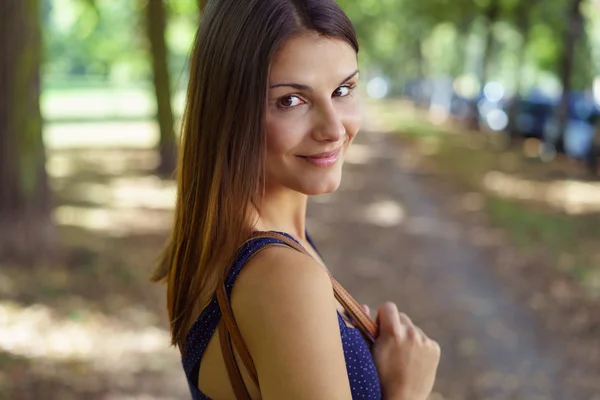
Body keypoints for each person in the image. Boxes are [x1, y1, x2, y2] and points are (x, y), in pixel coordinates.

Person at [151, 0, 441, 399]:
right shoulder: (282, 276)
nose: (334, 128)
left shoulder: (216, 242)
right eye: (291, 100)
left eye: (343, 90)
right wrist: (407, 392)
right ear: (229, 111)